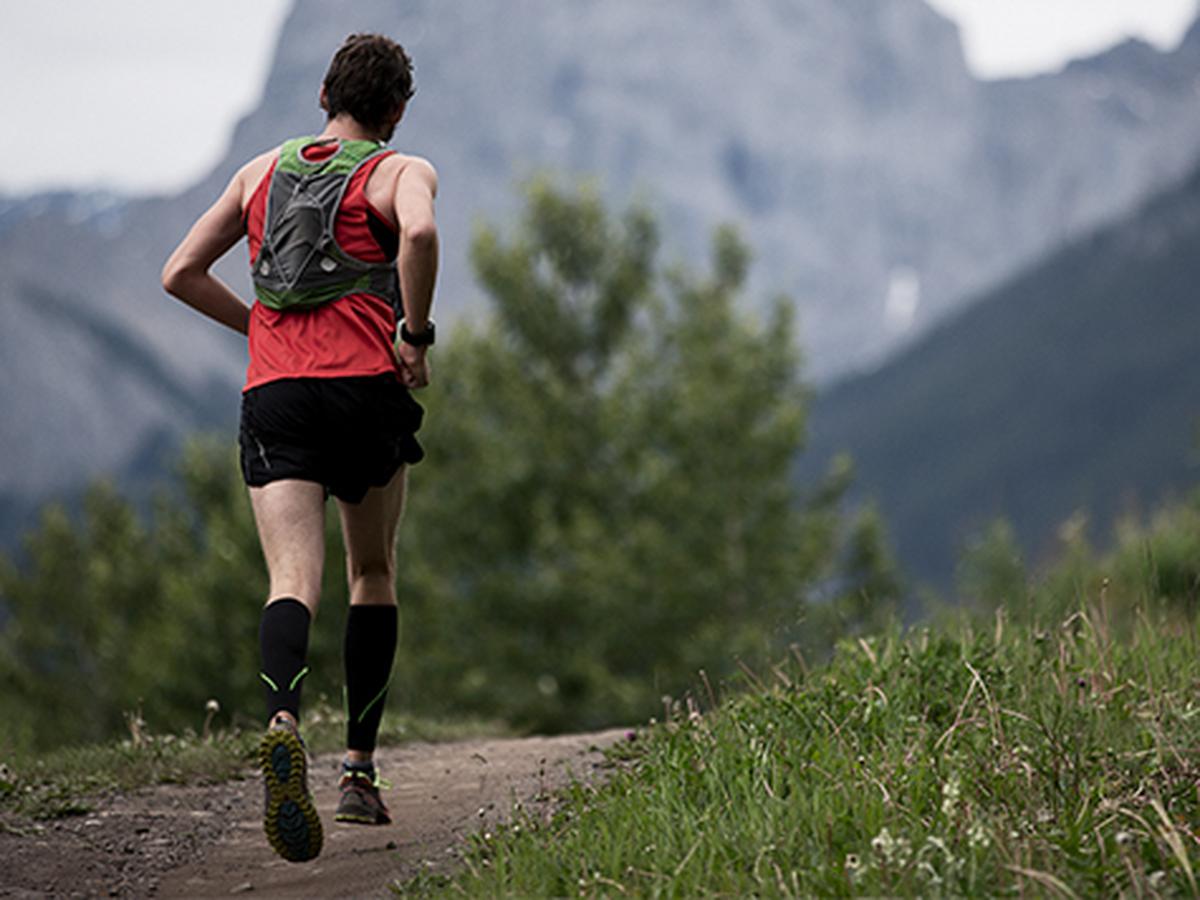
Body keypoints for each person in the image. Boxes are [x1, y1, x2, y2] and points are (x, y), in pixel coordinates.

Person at [162, 33, 438, 864]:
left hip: (275, 395)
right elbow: (418, 239)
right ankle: (357, 773)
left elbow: (179, 272)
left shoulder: (259, 172)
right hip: (364, 390)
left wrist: (264, 328)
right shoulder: (399, 170)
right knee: (372, 573)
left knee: (292, 578)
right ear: (395, 110)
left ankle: (283, 718)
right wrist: (415, 336)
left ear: (323, 95)